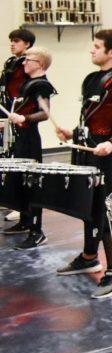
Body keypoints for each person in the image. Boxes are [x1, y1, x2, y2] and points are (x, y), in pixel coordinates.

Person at [54, 29, 112, 299]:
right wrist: (73, 132)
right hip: (85, 149)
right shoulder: (91, 78)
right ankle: (90, 256)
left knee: (104, 208)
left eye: (96, 46)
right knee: (86, 204)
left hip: (104, 151)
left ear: (111, 52)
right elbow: (90, 118)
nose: (91, 50)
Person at [2, 46, 55, 248]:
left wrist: (24, 118)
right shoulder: (28, 84)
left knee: (31, 183)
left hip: (30, 140)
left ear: (39, 64)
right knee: (20, 182)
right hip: (21, 137)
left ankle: (37, 231)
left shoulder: (41, 85)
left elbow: (45, 113)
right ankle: (25, 222)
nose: (23, 62)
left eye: (27, 60)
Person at [1, 28, 35, 221]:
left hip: (22, 119)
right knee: (9, 158)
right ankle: (12, 199)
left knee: (22, 161)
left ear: (27, 44)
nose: (12, 44)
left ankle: (23, 207)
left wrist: (20, 116)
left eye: (16, 41)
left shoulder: (29, 65)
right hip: (8, 115)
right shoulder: (11, 62)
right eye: (11, 41)